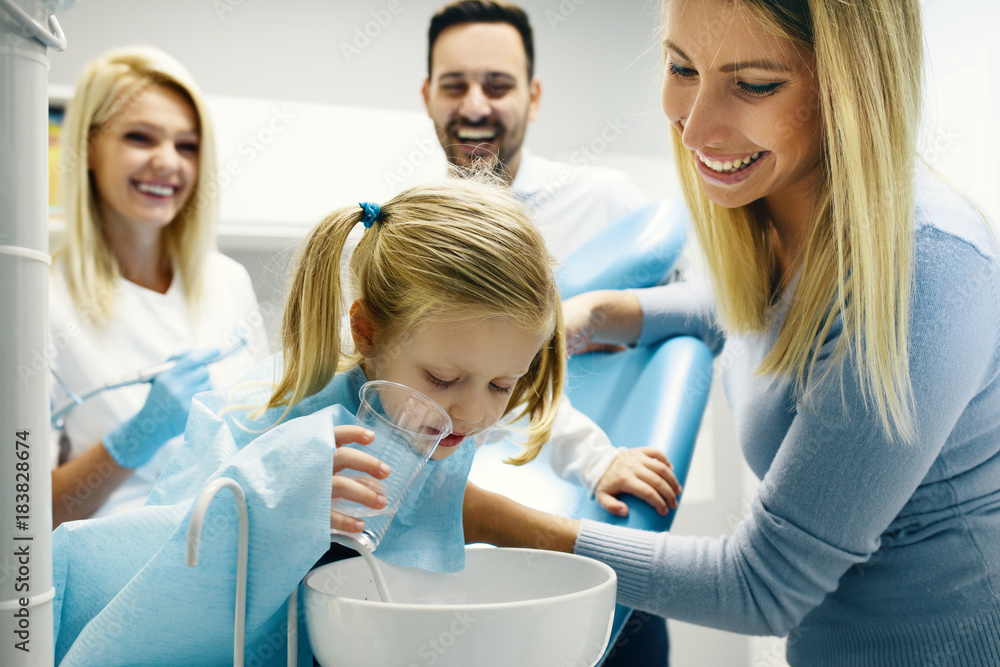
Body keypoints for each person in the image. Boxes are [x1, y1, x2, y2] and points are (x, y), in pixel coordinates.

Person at [463, 0, 1000, 664]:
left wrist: (481, 515)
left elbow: (759, 587)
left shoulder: (928, 264)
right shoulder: (781, 218)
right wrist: (597, 313)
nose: (695, 130)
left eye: (754, 84)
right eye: (681, 67)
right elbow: (747, 311)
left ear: (853, 84)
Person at [51, 178, 683, 664]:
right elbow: (181, 550)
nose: (472, 410)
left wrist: (600, 459)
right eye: (443, 381)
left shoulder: (454, 385)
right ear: (367, 332)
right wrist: (286, 495)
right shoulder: (291, 419)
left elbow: (537, 407)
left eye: (501, 382)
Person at [49, 46, 269, 526]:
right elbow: (23, 514)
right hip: (110, 569)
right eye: (140, 138)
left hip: (233, 550)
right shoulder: (40, 300)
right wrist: (135, 437)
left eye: (187, 146)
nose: (167, 163)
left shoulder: (227, 281)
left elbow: (262, 440)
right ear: (87, 147)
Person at [422, 0, 648, 263]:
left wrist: (608, 304)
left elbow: (702, 295)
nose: (474, 109)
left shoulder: (608, 202)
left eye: (497, 87)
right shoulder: (404, 232)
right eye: (454, 86)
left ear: (534, 99)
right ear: (427, 98)